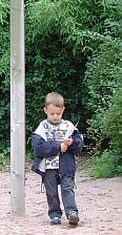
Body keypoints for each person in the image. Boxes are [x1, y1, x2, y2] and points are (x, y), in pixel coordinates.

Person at [31, 92, 83, 226]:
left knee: (68, 188)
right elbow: (38, 148)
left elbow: (79, 146)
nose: (55, 116)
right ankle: (54, 214)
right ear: (45, 111)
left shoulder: (69, 126)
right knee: (51, 192)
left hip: (66, 166)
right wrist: (58, 146)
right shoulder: (41, 128)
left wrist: (72, 143)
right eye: (52, 114)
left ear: (63, 110)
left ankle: (72, 213)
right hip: (48, 167)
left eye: (58, 114)